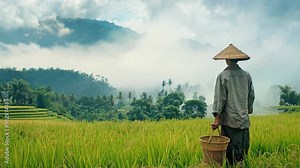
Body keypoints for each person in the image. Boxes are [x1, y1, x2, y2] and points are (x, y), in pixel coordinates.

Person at [211, 44, 255, 166]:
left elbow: (220, 98)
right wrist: (247, 110)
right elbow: (251, 96)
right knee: (243, 149)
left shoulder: (223, 76)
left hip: (230, 120)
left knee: (231, 152)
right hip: (243, 119)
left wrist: (216, 118)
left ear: (227, 60)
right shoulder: (246, 75)